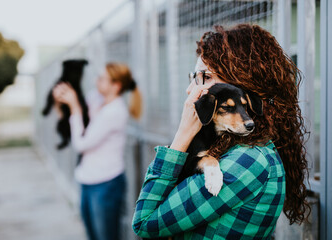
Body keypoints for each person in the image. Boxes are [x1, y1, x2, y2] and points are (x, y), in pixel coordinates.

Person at [132, 24, 309, 239]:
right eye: (193, 77)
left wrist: (182, 136)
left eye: (204, 77)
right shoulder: (230, 147)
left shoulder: (247, 161)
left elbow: (144, 223)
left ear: (240, 83)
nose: (190, 90)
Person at [53, 62, 142, 240]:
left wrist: (75, 107)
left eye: (101, 79)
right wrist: (61, 99)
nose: (96, 81)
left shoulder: (115, 112)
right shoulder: (96, 99)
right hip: (88, 180)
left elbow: (81, 143)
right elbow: (70, 117)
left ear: (115, 86)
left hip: (106, 184)